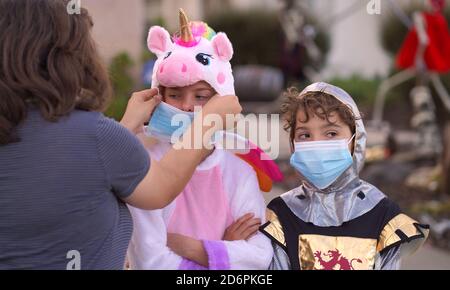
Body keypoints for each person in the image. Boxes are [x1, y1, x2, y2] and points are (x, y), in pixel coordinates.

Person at [0, 0, 240, 270]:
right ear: (64, 58)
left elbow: (81, 171)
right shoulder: (97, 137)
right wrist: (209, 120)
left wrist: (124, 127)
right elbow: (164, 185)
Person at [127, 10, 277, 270]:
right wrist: (222, 249)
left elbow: (260, 258)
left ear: (222, 97)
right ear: (159, 95)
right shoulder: (147, 168)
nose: (187, 107)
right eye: (175, 94)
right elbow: (149, 262)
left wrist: (190, 247)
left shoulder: (239, 172)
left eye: (201, 96)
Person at [260, 82, 429, 270]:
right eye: (305, 135)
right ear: (293, 144)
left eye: (331, 133)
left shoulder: (382, 216)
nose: (317, 144)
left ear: (355, 141)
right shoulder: (282, 215)